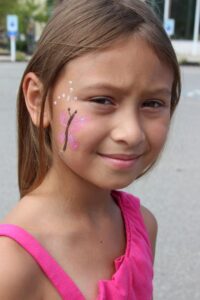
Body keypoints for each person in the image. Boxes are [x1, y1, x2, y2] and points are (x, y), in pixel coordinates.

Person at [0, 0, 181, 299]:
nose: (131, 132)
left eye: (153, 103)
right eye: (102, 100)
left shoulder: (143, 227)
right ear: (37, 100)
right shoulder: (12, 264)